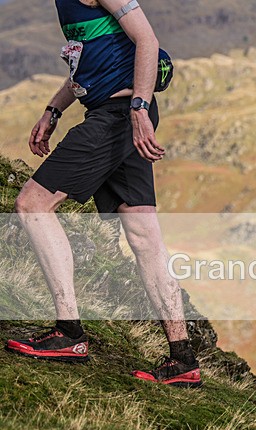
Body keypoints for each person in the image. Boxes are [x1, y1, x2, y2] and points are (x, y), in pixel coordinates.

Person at [7, 0, 201, 387]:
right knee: (144, 236)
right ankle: (183, 359)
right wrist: (53, 110)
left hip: (120, 115)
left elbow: (146, 40)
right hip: (113, 113)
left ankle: (69, 332)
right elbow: (87, 63)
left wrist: (139, 110)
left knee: (32, 204)